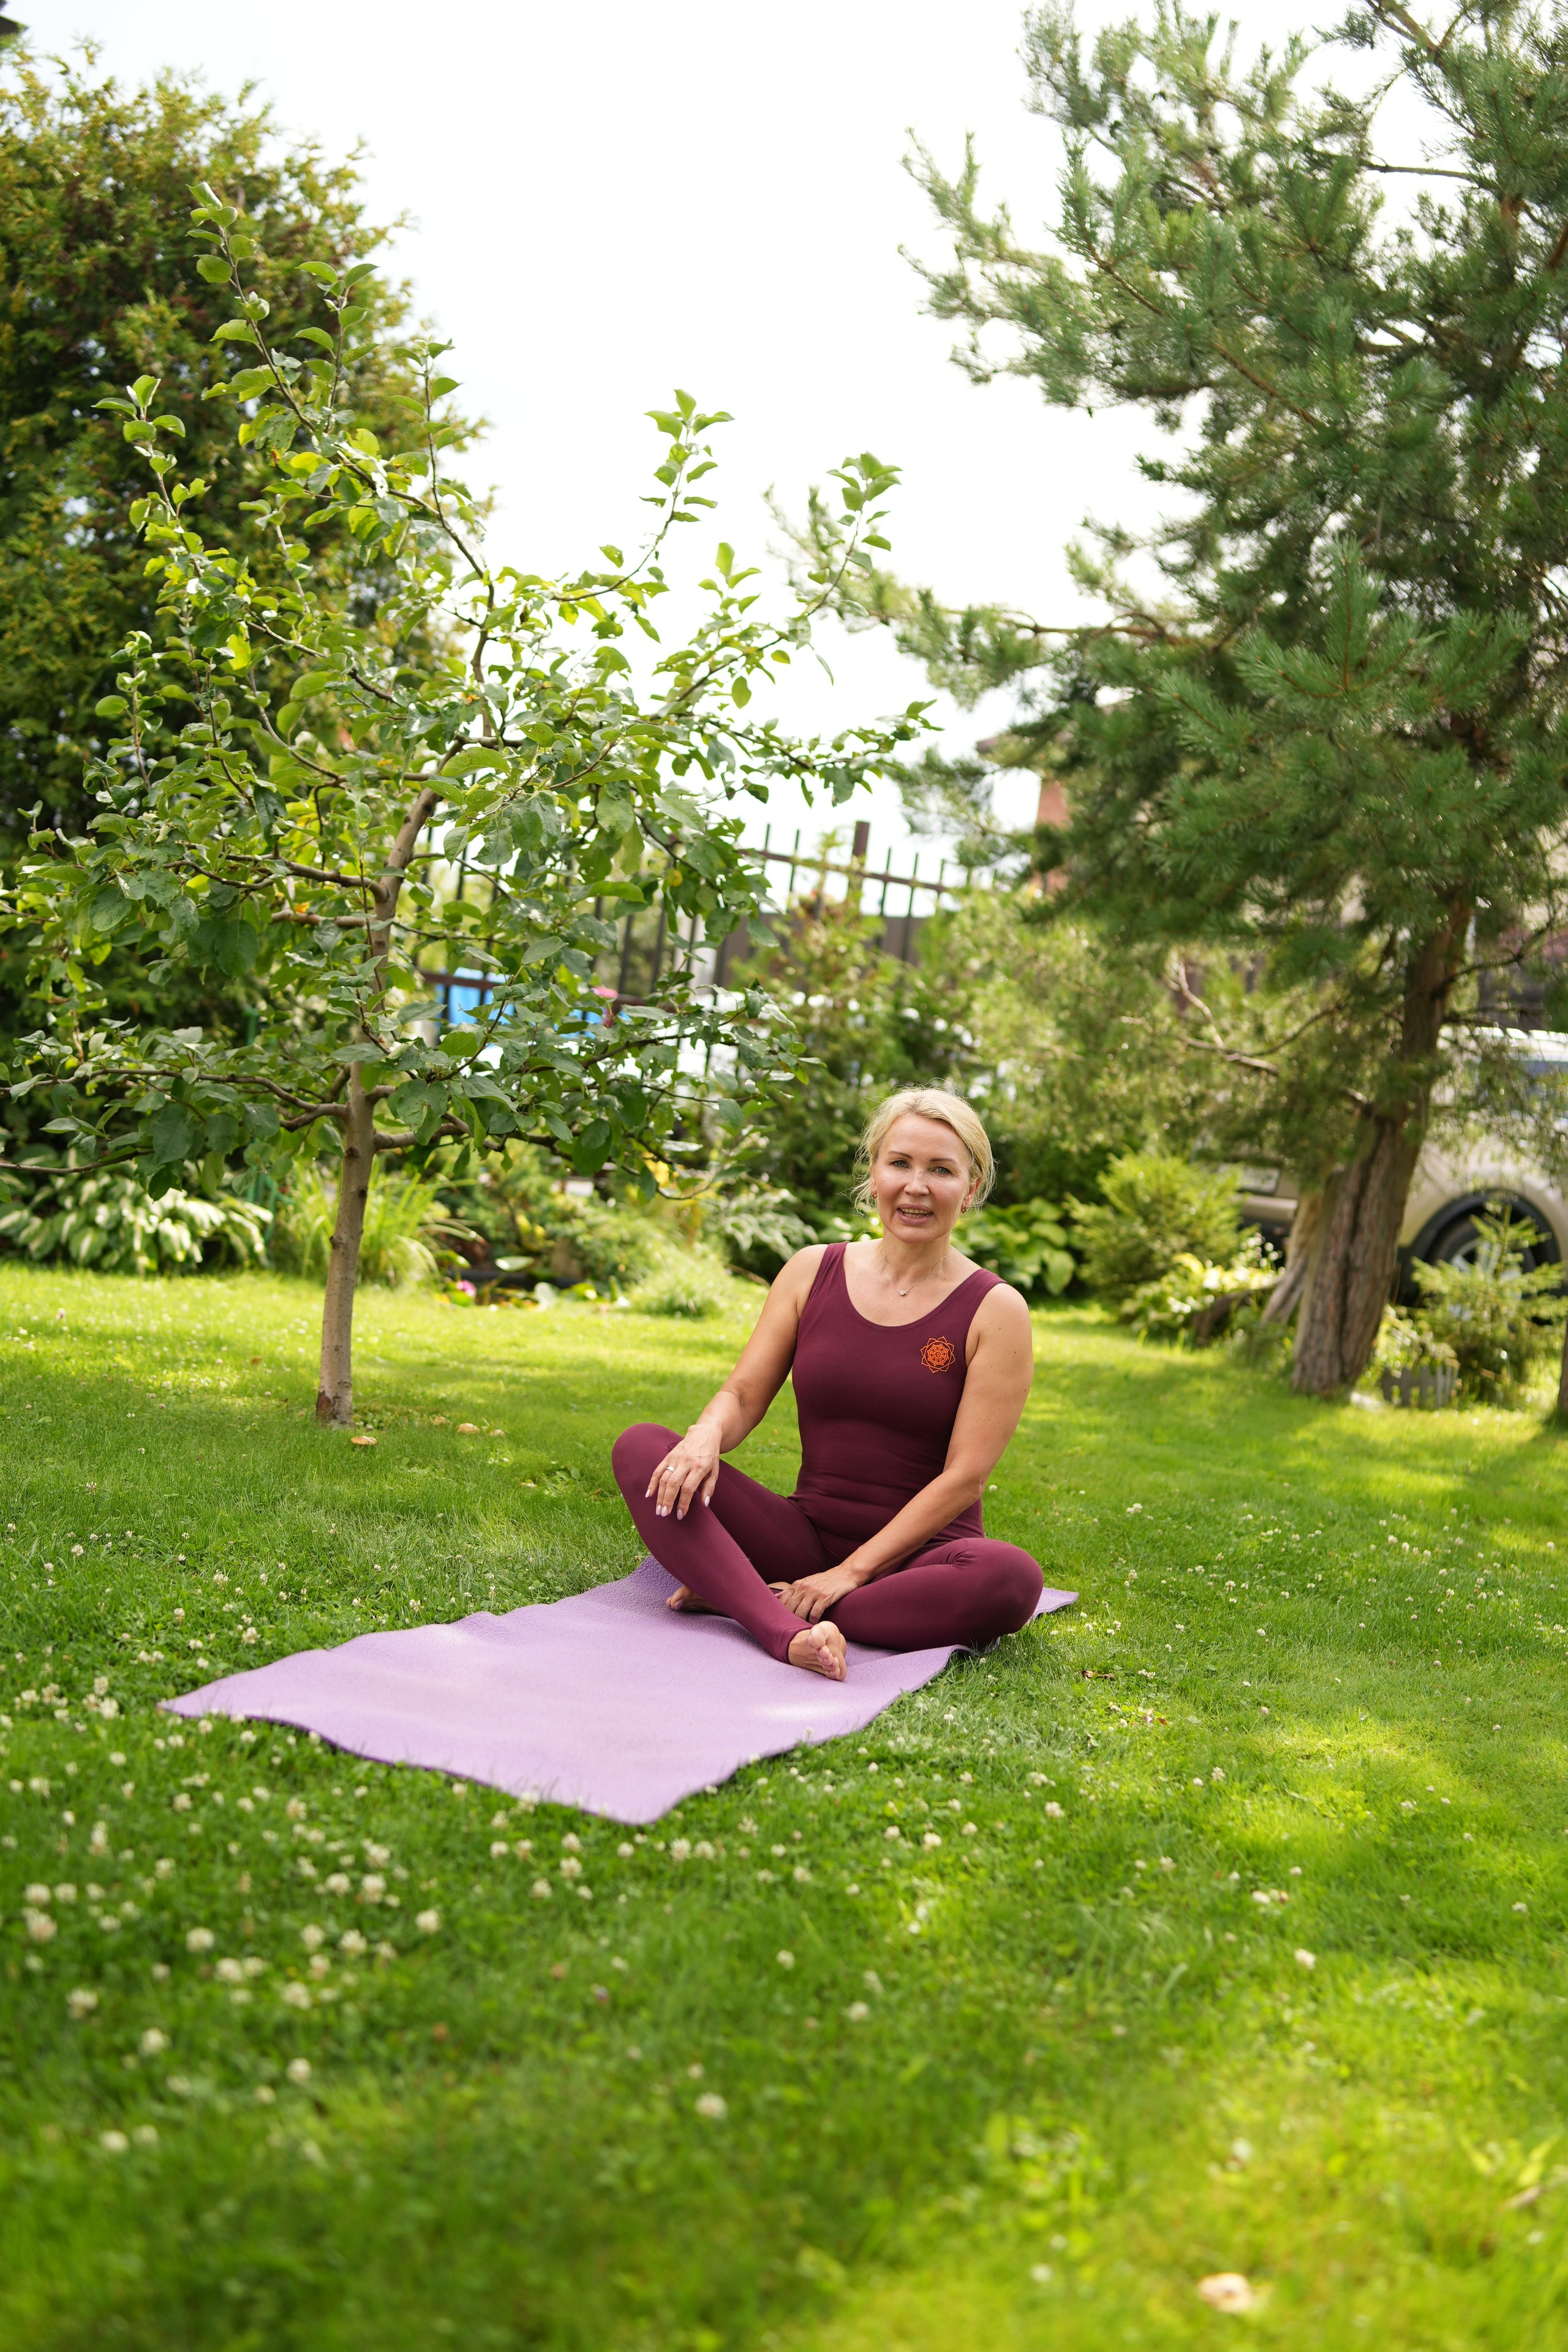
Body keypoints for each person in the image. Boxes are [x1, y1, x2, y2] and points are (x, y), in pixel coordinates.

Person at [611, 1087, 1042, 1680]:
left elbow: (965, 1477)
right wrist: (704, 1435)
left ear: (968, 1190)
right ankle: (783, 1628)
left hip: (923, 1561)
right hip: (805, 1536)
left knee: (1013, 1580)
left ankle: (751, 1598)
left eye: (940, 1170)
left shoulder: (996, 1309)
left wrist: (851, 1573)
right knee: (643, 1450)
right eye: (900, 1163)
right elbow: (741, 1395)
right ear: (874, 1173)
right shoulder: (812, 1271)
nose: (916, 1186)